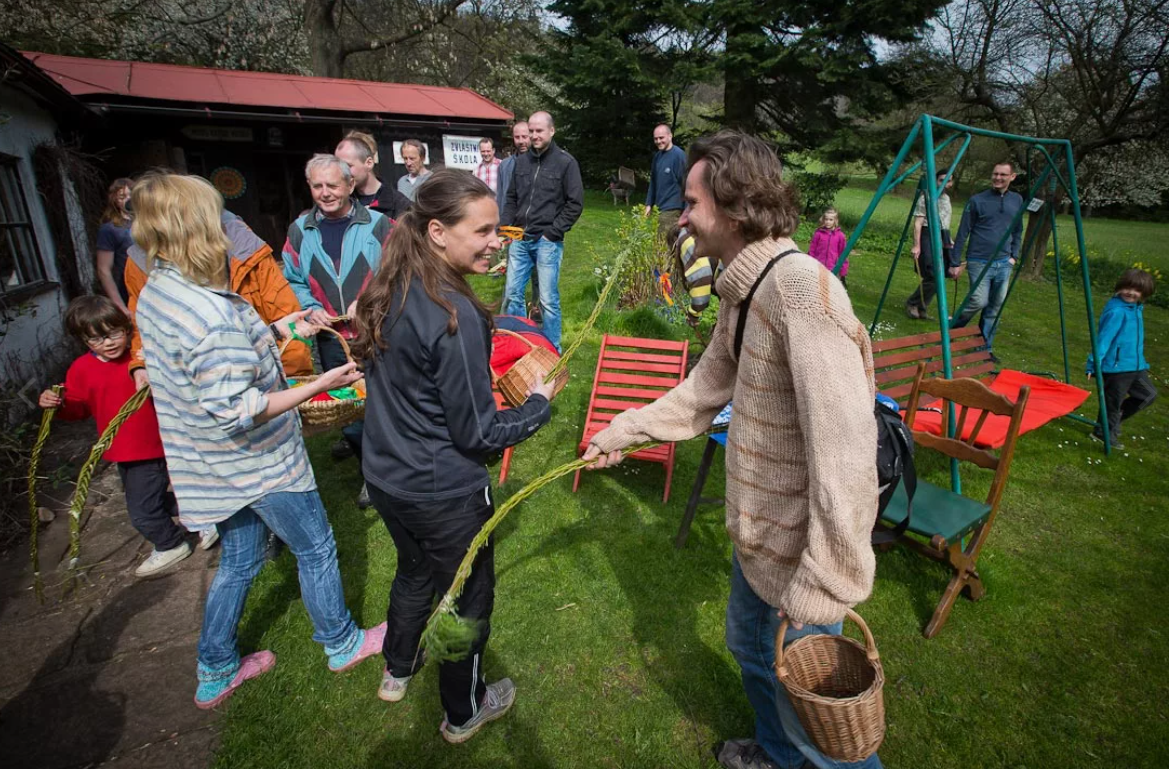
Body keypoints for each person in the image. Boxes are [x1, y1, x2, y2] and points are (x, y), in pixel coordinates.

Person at [583, 131, 882, 769]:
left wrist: (827, 581)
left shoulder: (801, 293)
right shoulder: (743, 289)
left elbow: (848, 452)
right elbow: (705, 390)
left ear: (737, 206)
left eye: (692, 202)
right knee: (752, 654)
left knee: (822, 724)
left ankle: (797, 752)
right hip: (757, 542)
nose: (682, 216)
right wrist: (624, 429)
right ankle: (774, 757)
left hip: (804, 561)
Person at [130, 172, 385, 710]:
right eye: (216, 216)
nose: (226, 227)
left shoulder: (161, 290)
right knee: (316, 547)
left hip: (209, 465)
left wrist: (281, 329)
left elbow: (213, 369)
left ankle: (216, 666)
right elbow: (239, 409)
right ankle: (341, 643)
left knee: (241, 561)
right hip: (257, 462)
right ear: (196, 226)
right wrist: (321, 382)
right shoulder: (206, 314)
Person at [352, 169, 556, 743]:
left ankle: (398, 666)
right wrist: (537, 407)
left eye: (499, 229)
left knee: (415, 571)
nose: (498, 241)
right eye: (485, 230)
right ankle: (464, 709)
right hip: (442, 491)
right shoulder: (453, 314)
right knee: (466, 601)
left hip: (387, 478)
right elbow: (478, 434)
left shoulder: (389, 284)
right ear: (437, 231)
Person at [38, 295, 209, 577]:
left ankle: (171, 543)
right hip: (123, 451)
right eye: (96, 338)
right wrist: (58, 404)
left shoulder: (139, 358)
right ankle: (208, 514)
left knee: (142, 511)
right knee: (148, 500)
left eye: (113, 333)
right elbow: (78, 407)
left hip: (153, 447)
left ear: (126, 328)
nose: (108, 342)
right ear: (83, 340)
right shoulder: (82, 369)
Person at [283, 154, 392, 507]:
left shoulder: (380, 225)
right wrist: (310, 306)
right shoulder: (300, 231)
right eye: (318, 186)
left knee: (386, 402)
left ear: (349, 185)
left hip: (377, 331)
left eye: (333, 185)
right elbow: (293, 277)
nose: (326, 193)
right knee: (350, 408)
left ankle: (393, 468)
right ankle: (370, 476)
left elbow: (399, 272)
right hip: (332, 339)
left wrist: (370, 301)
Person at [125, 209, 314, 389]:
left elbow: (287, 319)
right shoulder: (143, 263)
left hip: (265, 375)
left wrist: (291, 383)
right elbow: (141, 325)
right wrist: (140, 364)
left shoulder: (246, 249)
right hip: (197, 388)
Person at [500, 110, 584, 350]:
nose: (534, 136)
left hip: (547, 241)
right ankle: (514, 344)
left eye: (539, 131)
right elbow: (512, 198)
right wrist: (506, 228)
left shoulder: (566, 163)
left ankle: (551, 348)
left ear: (551, 131)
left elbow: (575, 203)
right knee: (512, 295)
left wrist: (552, 233)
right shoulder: (521, 162)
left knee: (547, 300)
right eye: (531, 132)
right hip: (519, 239)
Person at [949, 161, 1024, 362]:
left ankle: (984, 348)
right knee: (979, 300)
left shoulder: (1017, 200)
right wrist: (955, 262)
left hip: (1003, 262)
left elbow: (1018, 229)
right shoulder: (977, 200)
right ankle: (953, 328)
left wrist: (1013, 256)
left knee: (995, 307)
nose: (998, 178)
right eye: (995, 174)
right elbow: (963, 232)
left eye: (1002, 175)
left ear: (1012, 177)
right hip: (979, 259)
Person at [1087, 268, 1158, 450]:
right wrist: (1093, 364)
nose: (1131, 292)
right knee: (1112, 403)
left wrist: (1138, 359)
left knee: (1148, 395)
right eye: (1127, 287)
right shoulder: (1117, 311)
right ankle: (1102, 434)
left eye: (1137, 290)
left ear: (1144, 293)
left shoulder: (1135, 308)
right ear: (1120, 287)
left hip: (1135, 365)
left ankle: (1112, 421)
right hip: (1116, 368)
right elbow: (1103, 340)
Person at [905, 171, 954, 319]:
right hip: (928, 234)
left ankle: (922, 307)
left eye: (949, 181)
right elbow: (918, 223)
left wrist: (949, 239)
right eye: (941, 180)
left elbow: (945, 221)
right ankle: (912, 303)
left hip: (942, 236)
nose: (945, 184)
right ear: (935, 180)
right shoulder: (925, 197)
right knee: (933, 274)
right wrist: (917, 245)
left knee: (941, 274)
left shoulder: (946, 198)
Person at [336, 131, 414, 221]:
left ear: (369, 163)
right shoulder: (340, 201)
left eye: (347, 166)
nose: (342, 172)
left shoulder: (401, 207)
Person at [96, 178, 135, 314]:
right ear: (114, 200)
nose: (128, 200)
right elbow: (104, 270)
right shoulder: (109, 229)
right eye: (122, 197)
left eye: (132, 195)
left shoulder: (149, 223)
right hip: (129, 292)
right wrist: (119, 306)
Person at [644, 124, 686, 238]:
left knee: (664, 249)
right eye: (656, 139)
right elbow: (653, 182)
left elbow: (686, 185)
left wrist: (687, 213)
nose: (658, 141)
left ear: (670, 136)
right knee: (660, 246)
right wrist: (649, 204)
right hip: (659, 209)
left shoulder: (679, 156)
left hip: (672, 210)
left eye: (661, 138)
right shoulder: (657, 157)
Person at [807, 207, 849, 287]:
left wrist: (843, 272)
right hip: (818, 266)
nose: (828, 222)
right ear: (823, 220)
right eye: (826, 219)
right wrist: (810, 263)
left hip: (832, 268)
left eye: (831, 220)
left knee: (830, 289)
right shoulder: (818, 234)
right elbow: (812, 250)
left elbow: (843, 254)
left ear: (835, 221)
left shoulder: (840, 236)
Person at [496, 122, 529, 209]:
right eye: (517, 137)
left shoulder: (541, 163)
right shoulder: (504, 165)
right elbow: (500, 196)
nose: (521, 141)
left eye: (524, 137)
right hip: (509, 219)